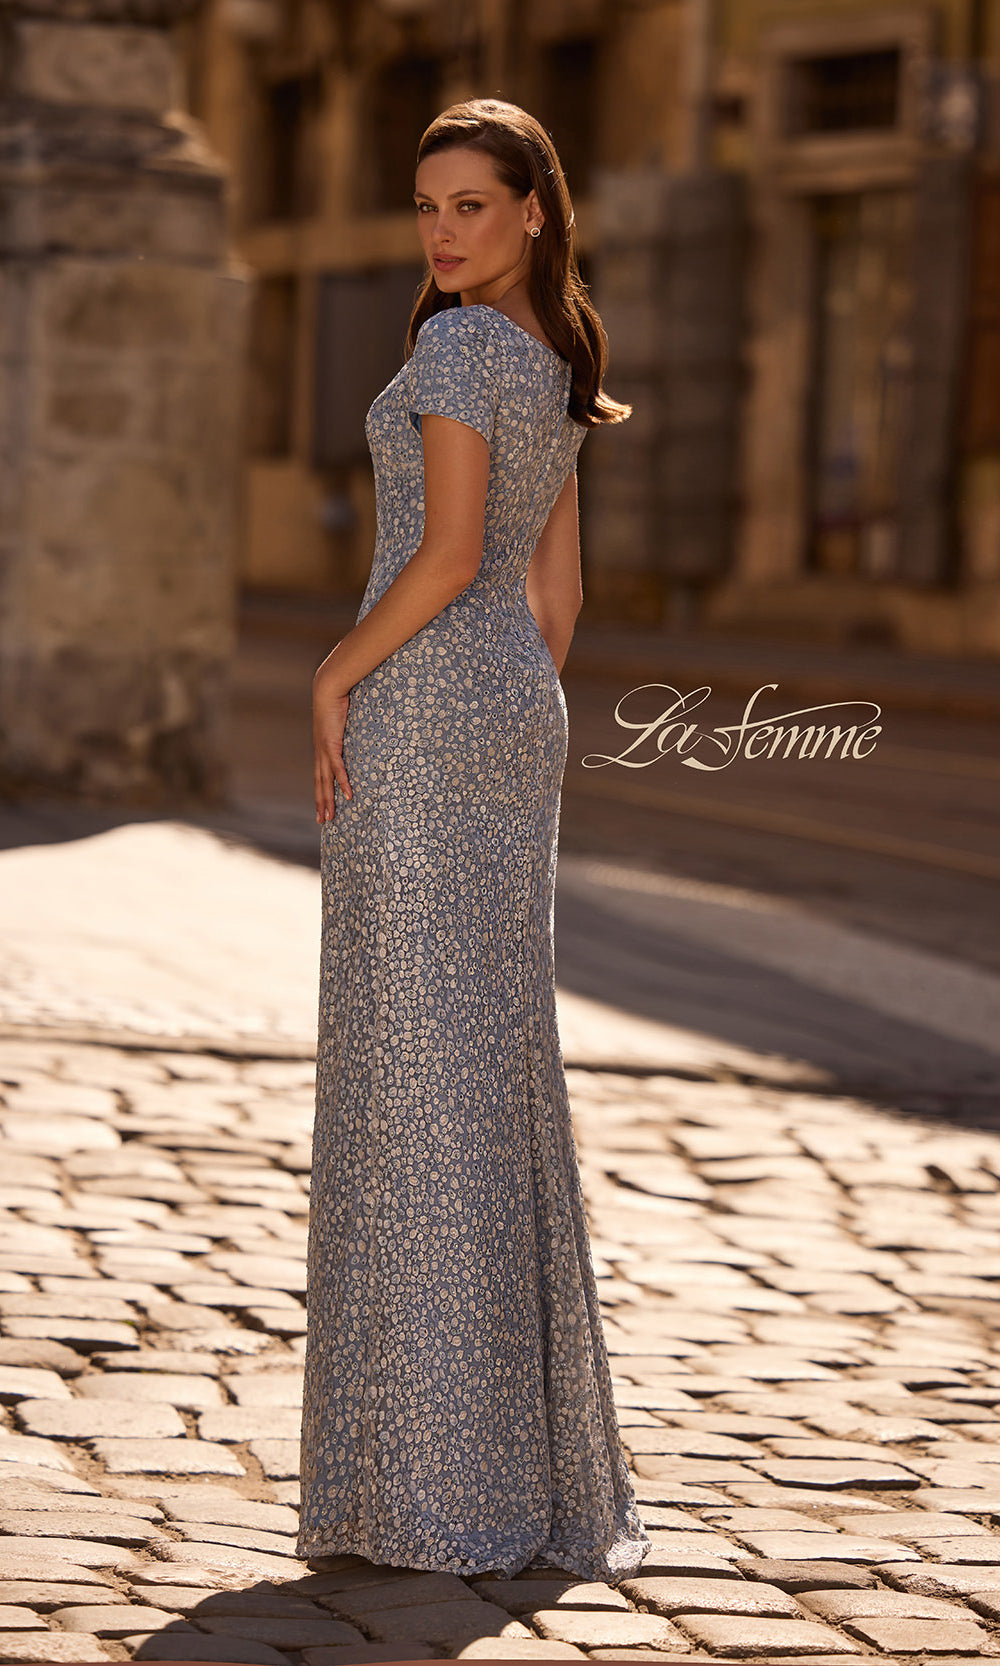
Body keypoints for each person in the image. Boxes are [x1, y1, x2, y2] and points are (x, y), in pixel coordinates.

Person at [298, 96, 652, 1587]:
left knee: (412, 1076)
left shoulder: (454, 349)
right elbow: (551, 596)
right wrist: (506, 707)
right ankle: (500, 1474)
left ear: (532, 213)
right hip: (511, 707)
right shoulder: (556, 356)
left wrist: (337, 675)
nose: (441, 229)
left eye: (470, 204)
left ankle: (422, 1488)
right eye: (427, 202)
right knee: (488, 1062)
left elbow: (445, 555)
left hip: (427, 704)